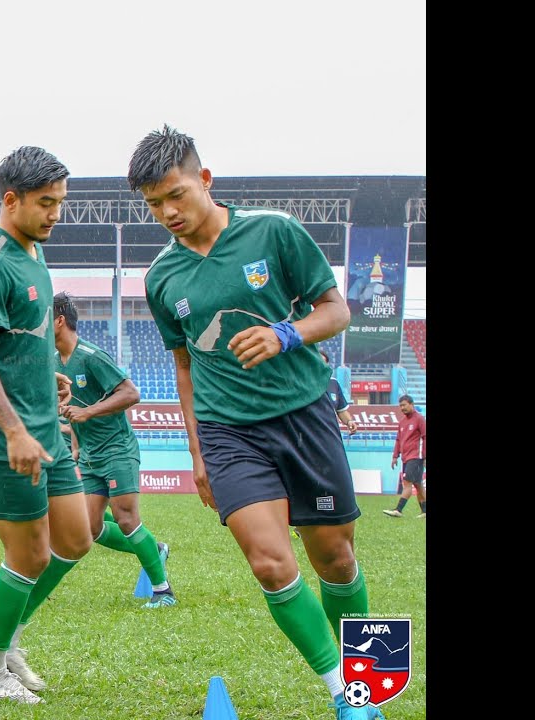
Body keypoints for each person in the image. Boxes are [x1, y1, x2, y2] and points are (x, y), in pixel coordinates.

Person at [130, 125, 381, 719]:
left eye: (176, 195)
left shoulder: (274, 231)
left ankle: (371, 683)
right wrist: (198, 454)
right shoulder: (161, 278)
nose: (167, 213)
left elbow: (337, 310)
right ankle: (344, 697)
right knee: (270, 562)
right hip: (229, 431)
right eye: (154, 205)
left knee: (336, 559)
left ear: (205, 179)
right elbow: (184, 367)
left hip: (304, 414)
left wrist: (284, 334)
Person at [0, 146, 92, 704]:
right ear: (11, 200)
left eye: (60, 202)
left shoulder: (33, 252)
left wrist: (46, 374)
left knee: (76, 539)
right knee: (31, 555)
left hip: (46, 431)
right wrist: (15, 430)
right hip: (5, 439)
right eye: (46, 203)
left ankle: (5, 637)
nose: (56, 213)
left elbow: (16, 344)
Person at [52, 292, 175, 609]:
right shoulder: (54, 362)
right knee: (89, 528)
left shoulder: (91, 356)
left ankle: (163, 591)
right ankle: (154, 549)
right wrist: (75, 443)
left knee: (126, 518)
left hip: (117, 449)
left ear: (59, 320)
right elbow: (70, 408)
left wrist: (88, 412)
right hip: (90, 455)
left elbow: (131, 393)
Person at [384, 394, 426, 519]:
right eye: (400, 406)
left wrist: (425, 456)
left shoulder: (420, 419)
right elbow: (398, 440)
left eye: (404, 405)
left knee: (407, 483)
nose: (402, 408)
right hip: (406, 457)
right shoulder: (402, 422)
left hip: (416, 456)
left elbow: (425, 437)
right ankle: (425, 511)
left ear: (412, 404)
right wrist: (395, 456)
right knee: (418, 484)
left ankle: (398, 510)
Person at [319, 350, 358, 436]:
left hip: (330, 432)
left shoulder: (334, 383)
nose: (320, 365)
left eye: (323, 363)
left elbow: (341, 410)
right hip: (309, 432)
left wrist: (349, 421)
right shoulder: (303, 384)